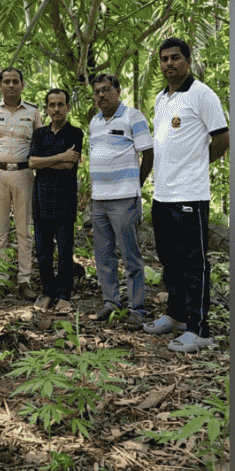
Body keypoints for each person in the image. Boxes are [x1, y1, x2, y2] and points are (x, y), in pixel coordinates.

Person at [144, 37, 229, 352]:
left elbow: (222, 138)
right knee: (169, 260)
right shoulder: (161, 99)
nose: (169, 63)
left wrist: (197, 165)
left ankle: (199, 328)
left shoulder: (202, 94)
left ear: (188, 61)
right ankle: (177, 316)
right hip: (162, 195)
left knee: (194, 263)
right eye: (164, 58)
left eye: (175, 57)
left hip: (190, 194)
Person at [85, 73, 155, 326]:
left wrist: (137, 183)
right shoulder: (94, 122)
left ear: (118, 91)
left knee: (130, 256)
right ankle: (111, 301)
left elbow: (148, 154)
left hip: (124, 199)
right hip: (99, 200)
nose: (101, 95)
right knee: (103, 254)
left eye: (106, 89)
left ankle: (137, 308)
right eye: (97, 92)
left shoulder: (133, 117)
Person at [0, 67, 42, 300]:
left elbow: (40, 143)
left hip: (24, 174)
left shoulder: (33, 112)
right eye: (7, 81)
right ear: (0, 85)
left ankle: (24, 281)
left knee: (24, 230)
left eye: (15, 81)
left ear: (22, 85)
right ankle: (1, 280)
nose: (11, 85)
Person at [28, 88, 84, 313]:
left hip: (64, 199)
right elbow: (32, 163)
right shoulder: (39, 134)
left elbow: (69, 165)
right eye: (52, 105)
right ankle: (48, 292)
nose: (56, 109)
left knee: (64, 250)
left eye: (61, 104)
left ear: (67, 107)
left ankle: (64, 295)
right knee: (43, 251)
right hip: (41, 199)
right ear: (47, 108)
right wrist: (60, 157)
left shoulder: (75, 133)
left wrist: (45, 162)